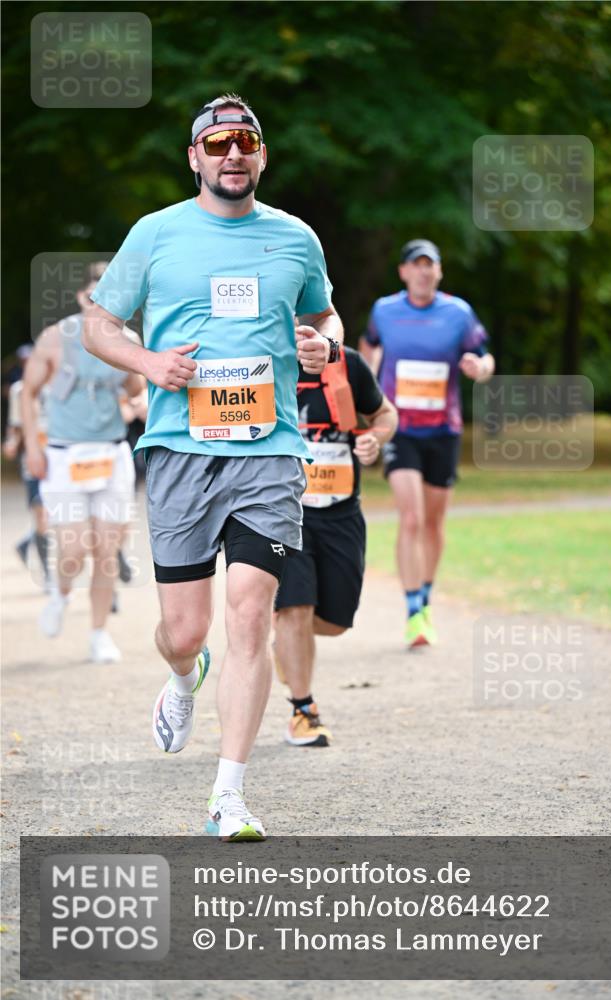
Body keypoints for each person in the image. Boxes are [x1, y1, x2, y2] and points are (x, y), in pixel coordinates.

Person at [83, 93, 343, 841]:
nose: (234, 153)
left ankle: (227, 795)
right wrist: (147, 361)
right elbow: (99, 321)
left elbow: (323, 316)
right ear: (195, 156)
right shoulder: (156, 234)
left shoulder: (295, 238)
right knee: (185, 629)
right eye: (218, 141)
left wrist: (323, 344)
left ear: (261, 154)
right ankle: (180, 674)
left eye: (247, 141)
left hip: (268, 451)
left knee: (249, 614)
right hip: (179, 451)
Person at [360, 239, 495, 649]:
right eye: (416, 265)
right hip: (401, 429)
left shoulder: (458, 314)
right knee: (412, 518)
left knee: (434, 523)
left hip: (443, 431)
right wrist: (367, 393)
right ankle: (413, 608)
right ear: (403, 272)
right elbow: (369, 347)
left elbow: (485, 358)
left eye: (430, 266)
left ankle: (426, 597)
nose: (423, 272)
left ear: (439, 272)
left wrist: (479, 368)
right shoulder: (385, 310)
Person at [274, 345, 397, 746]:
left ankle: (285, 642)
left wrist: (375, 439)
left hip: (341, 511)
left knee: (335, 622)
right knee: (296, 607)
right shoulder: (261, 360)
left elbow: (386, 414)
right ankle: (303, 710)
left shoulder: (347, 364)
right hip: (283, 510)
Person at [22, 262, 144, 663]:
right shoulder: (54, 339)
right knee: (73, 550)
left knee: (107, 551)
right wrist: (33, 448)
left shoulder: (125, 339)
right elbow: (28, 392)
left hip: (110, 453)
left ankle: (98, 634)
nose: (98, 304)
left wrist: (135, 386)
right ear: (79, 298)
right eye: (92, 297)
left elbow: (136, 390)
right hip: (64, 454)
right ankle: (60, 592)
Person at [3, 359, 51, 589]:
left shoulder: (61, 385)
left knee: (58, 518)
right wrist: (12, 443)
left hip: (62, 462)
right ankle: (47, 573)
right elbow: (15, 425)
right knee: (41, 515)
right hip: (33, 462)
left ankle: (26, 543)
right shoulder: (19, 390)